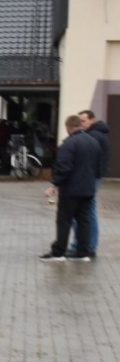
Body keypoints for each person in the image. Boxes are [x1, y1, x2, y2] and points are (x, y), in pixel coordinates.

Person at [41, 115, 101, 262]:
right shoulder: (94, 142)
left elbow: (63, 167)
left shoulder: (69, 144)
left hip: (71, 189)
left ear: (68, 127)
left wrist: (54, 184)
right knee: (84, 220)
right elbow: (98, 166)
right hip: (88, 188)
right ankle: (82, 252)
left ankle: (58, 252)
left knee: (64, 220)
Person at [80, 109, 109, 255]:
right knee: (89, 211)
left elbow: (90, 159)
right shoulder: (97, 134)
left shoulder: (94, 136)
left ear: (92, 119)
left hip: (91, 177)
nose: (81, 124)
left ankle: (89, 246)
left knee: (88, 212)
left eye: (84, 121)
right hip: (94, 176)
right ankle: (89, 245)